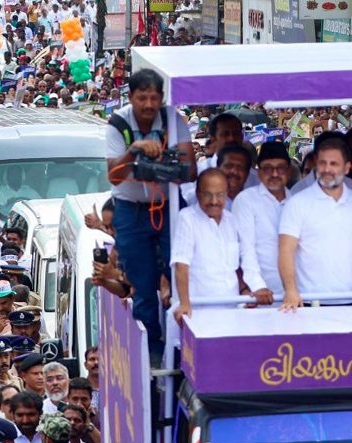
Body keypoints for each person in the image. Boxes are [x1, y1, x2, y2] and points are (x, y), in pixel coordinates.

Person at [103, 69, 193, 357]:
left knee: (179, 271)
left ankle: (183, 344)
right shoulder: (118, 123)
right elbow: (114, 177)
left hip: (168, 206)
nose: (149, 105)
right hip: (130, 210)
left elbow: (189, 169)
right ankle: (151, 352)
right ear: (130, 97)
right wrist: (135, 151)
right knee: (140, 282)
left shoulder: (172, 119)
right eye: (142, 98)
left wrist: (166, 162)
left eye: (155, 98)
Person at [277, 136, 352, 310]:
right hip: (308, 301)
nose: (327, 169)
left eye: (334, 164)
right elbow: (286, 249)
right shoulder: (297, 202)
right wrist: (291, 289)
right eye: (323, 163)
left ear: (347, 168)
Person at [171, 169, 272, 321]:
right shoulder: (187, 218)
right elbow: (181, 265)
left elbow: (241, 260)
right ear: (198, 193)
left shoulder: (232, 220)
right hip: (198, 312)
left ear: (227, 194)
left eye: (220, 195)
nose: (214, 201)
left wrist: (250, 291)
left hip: (232, 312)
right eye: (207, 194)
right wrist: (185, 304)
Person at [233, 141, 292, 295]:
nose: (274, 174)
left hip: (297, 292)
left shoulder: (298, 202)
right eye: (267, 168)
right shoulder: (246, 200)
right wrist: (257, 286)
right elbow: (246, 248)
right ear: (258, 172)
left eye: (280, 168)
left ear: (289, 171)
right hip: (260, 293)